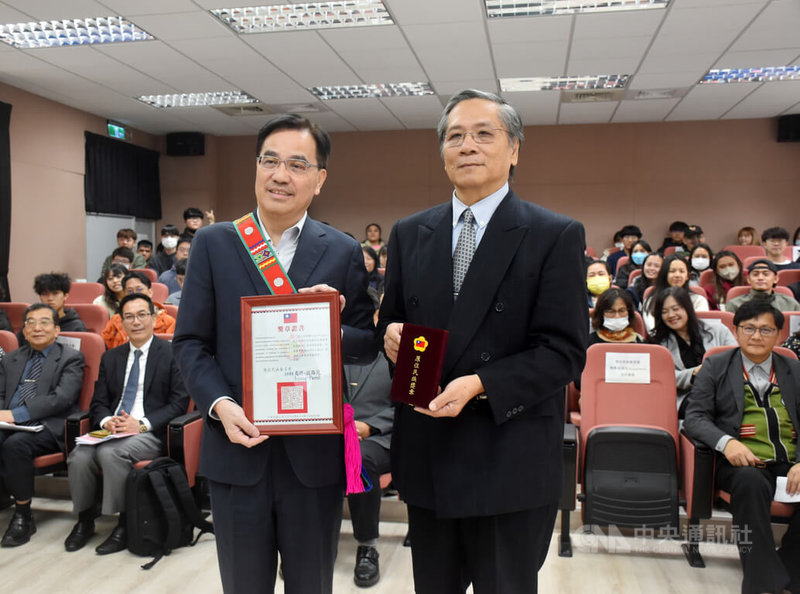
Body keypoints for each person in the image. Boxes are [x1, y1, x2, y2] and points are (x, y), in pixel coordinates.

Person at [379, 89, 587, 593]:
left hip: (508, 455)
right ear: (442, 152)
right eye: (454, 136)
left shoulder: (553, 233)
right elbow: (393, 321)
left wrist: (480, 383)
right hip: (430, 453)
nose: (467, 145)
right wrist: (389, 336)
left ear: (514, 149)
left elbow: (564, 351)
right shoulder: (410, 232)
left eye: (483, 134)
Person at [172, 114, 376, 594]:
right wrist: (220, 407)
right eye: (270, 161)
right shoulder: (215, 242)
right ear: (256, 167)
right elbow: (190, 343)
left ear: (320, 179)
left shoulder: (343, 249)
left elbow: (366, 344)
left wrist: (332, 322)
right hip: (237, 450)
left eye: (298, 164)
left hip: (313, 461)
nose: (281, 175)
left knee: (312, 585)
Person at [684, 300, 800, 594]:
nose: (756, 336)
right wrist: (728, 443)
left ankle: (788, 570)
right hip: (740, 463)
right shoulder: (717, 365)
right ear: (735, 332)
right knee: (749, 483)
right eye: (749, 328)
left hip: (789, 462)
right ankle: (762, 584)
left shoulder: (793, 369)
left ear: (778, 334)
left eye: (765, 330)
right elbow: (695, 417)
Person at [64, 293, 189, 555]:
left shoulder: (171, 353)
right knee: (80, 455)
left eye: (142, 315)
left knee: (111, 453)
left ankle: (124, 523)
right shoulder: (112, 357)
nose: (136, 322)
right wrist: (108, 421)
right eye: (129, 317)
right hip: (113, 428)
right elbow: (98, 403)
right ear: (121, 322)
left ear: (155, 318)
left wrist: (140, 424)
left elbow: (178, 404)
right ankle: (84, 520)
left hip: (148, 431)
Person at [0, 304, 84, 547]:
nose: (37, 328)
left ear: (56, 330)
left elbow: (62, 398)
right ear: (24, 331)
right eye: (31, 323)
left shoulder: (70, 357)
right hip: (9, 423)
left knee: (16, 445)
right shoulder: (12, 358)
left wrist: (15, 415)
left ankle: (23, 515)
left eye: (44, 322)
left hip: (48, 427)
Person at [344, 352, 393, 588]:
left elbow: (407, 404)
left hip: (380, 438)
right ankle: (311, 542)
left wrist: (371, 427)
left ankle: (367, 546)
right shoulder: (335, 349)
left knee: (359, 460)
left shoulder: (395, 353)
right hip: (334, 436)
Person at [650, 287, 736, 416]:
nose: (671, 315)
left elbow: (736, 358)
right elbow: (663, 377)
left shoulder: (717, 329)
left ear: (687, 307)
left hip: (724, 390)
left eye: (676, 309)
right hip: (687, 396)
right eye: (664, 311)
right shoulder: (659, 343)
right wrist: (693, 373)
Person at [101, 271, 175, 350]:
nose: (135, 294)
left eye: (139, 289)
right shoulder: (115, 320)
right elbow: (105, 348)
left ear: (150, 292)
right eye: (130, 291)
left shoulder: (168, 322)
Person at [643, 254, 709, 332]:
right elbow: (653, 330)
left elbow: (700, 328)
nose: (677, 275)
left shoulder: (698, 300)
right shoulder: (652, 301)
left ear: (687, 276)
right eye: (672, 271)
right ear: (664, 274)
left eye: (682, 271)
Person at [726, 259, 800, 314]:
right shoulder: (735, 304)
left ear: (776, 279)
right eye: (755, 274)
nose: (760, 278)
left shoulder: (790, 303)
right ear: (748, 279)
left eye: (766, 274)